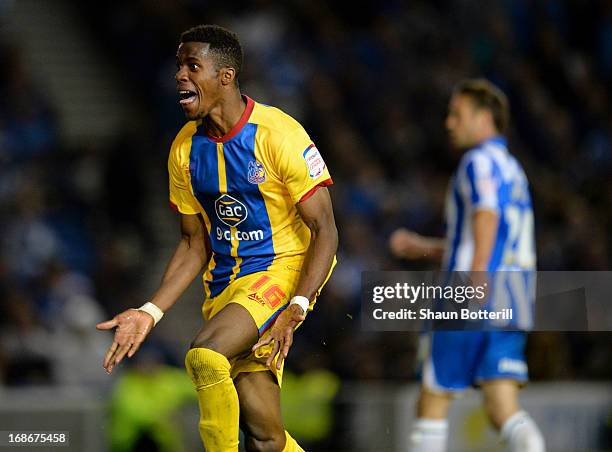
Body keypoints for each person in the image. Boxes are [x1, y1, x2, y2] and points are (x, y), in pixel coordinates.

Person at [97, 24, 338, 452]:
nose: (179, 76)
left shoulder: (279, 135)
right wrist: (150, 312)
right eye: (178, 66)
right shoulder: (184, 150)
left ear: (225, 76)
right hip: (226, 285)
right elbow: (194, 243)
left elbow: (326, 230)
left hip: (282, 270)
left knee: (204, 355)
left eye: (193, 66)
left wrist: (297, 306)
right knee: (266, 438)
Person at [389, 79, 545, 452]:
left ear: (484, 117)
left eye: (457, 114)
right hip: (516, 295)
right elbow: (485, 236)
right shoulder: (514, 169)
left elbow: (486, 217)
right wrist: (422, 247)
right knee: (502, 408)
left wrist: (474, 281)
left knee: (433, 398)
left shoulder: (478, 162)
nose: (449, 123)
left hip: (473, 291)